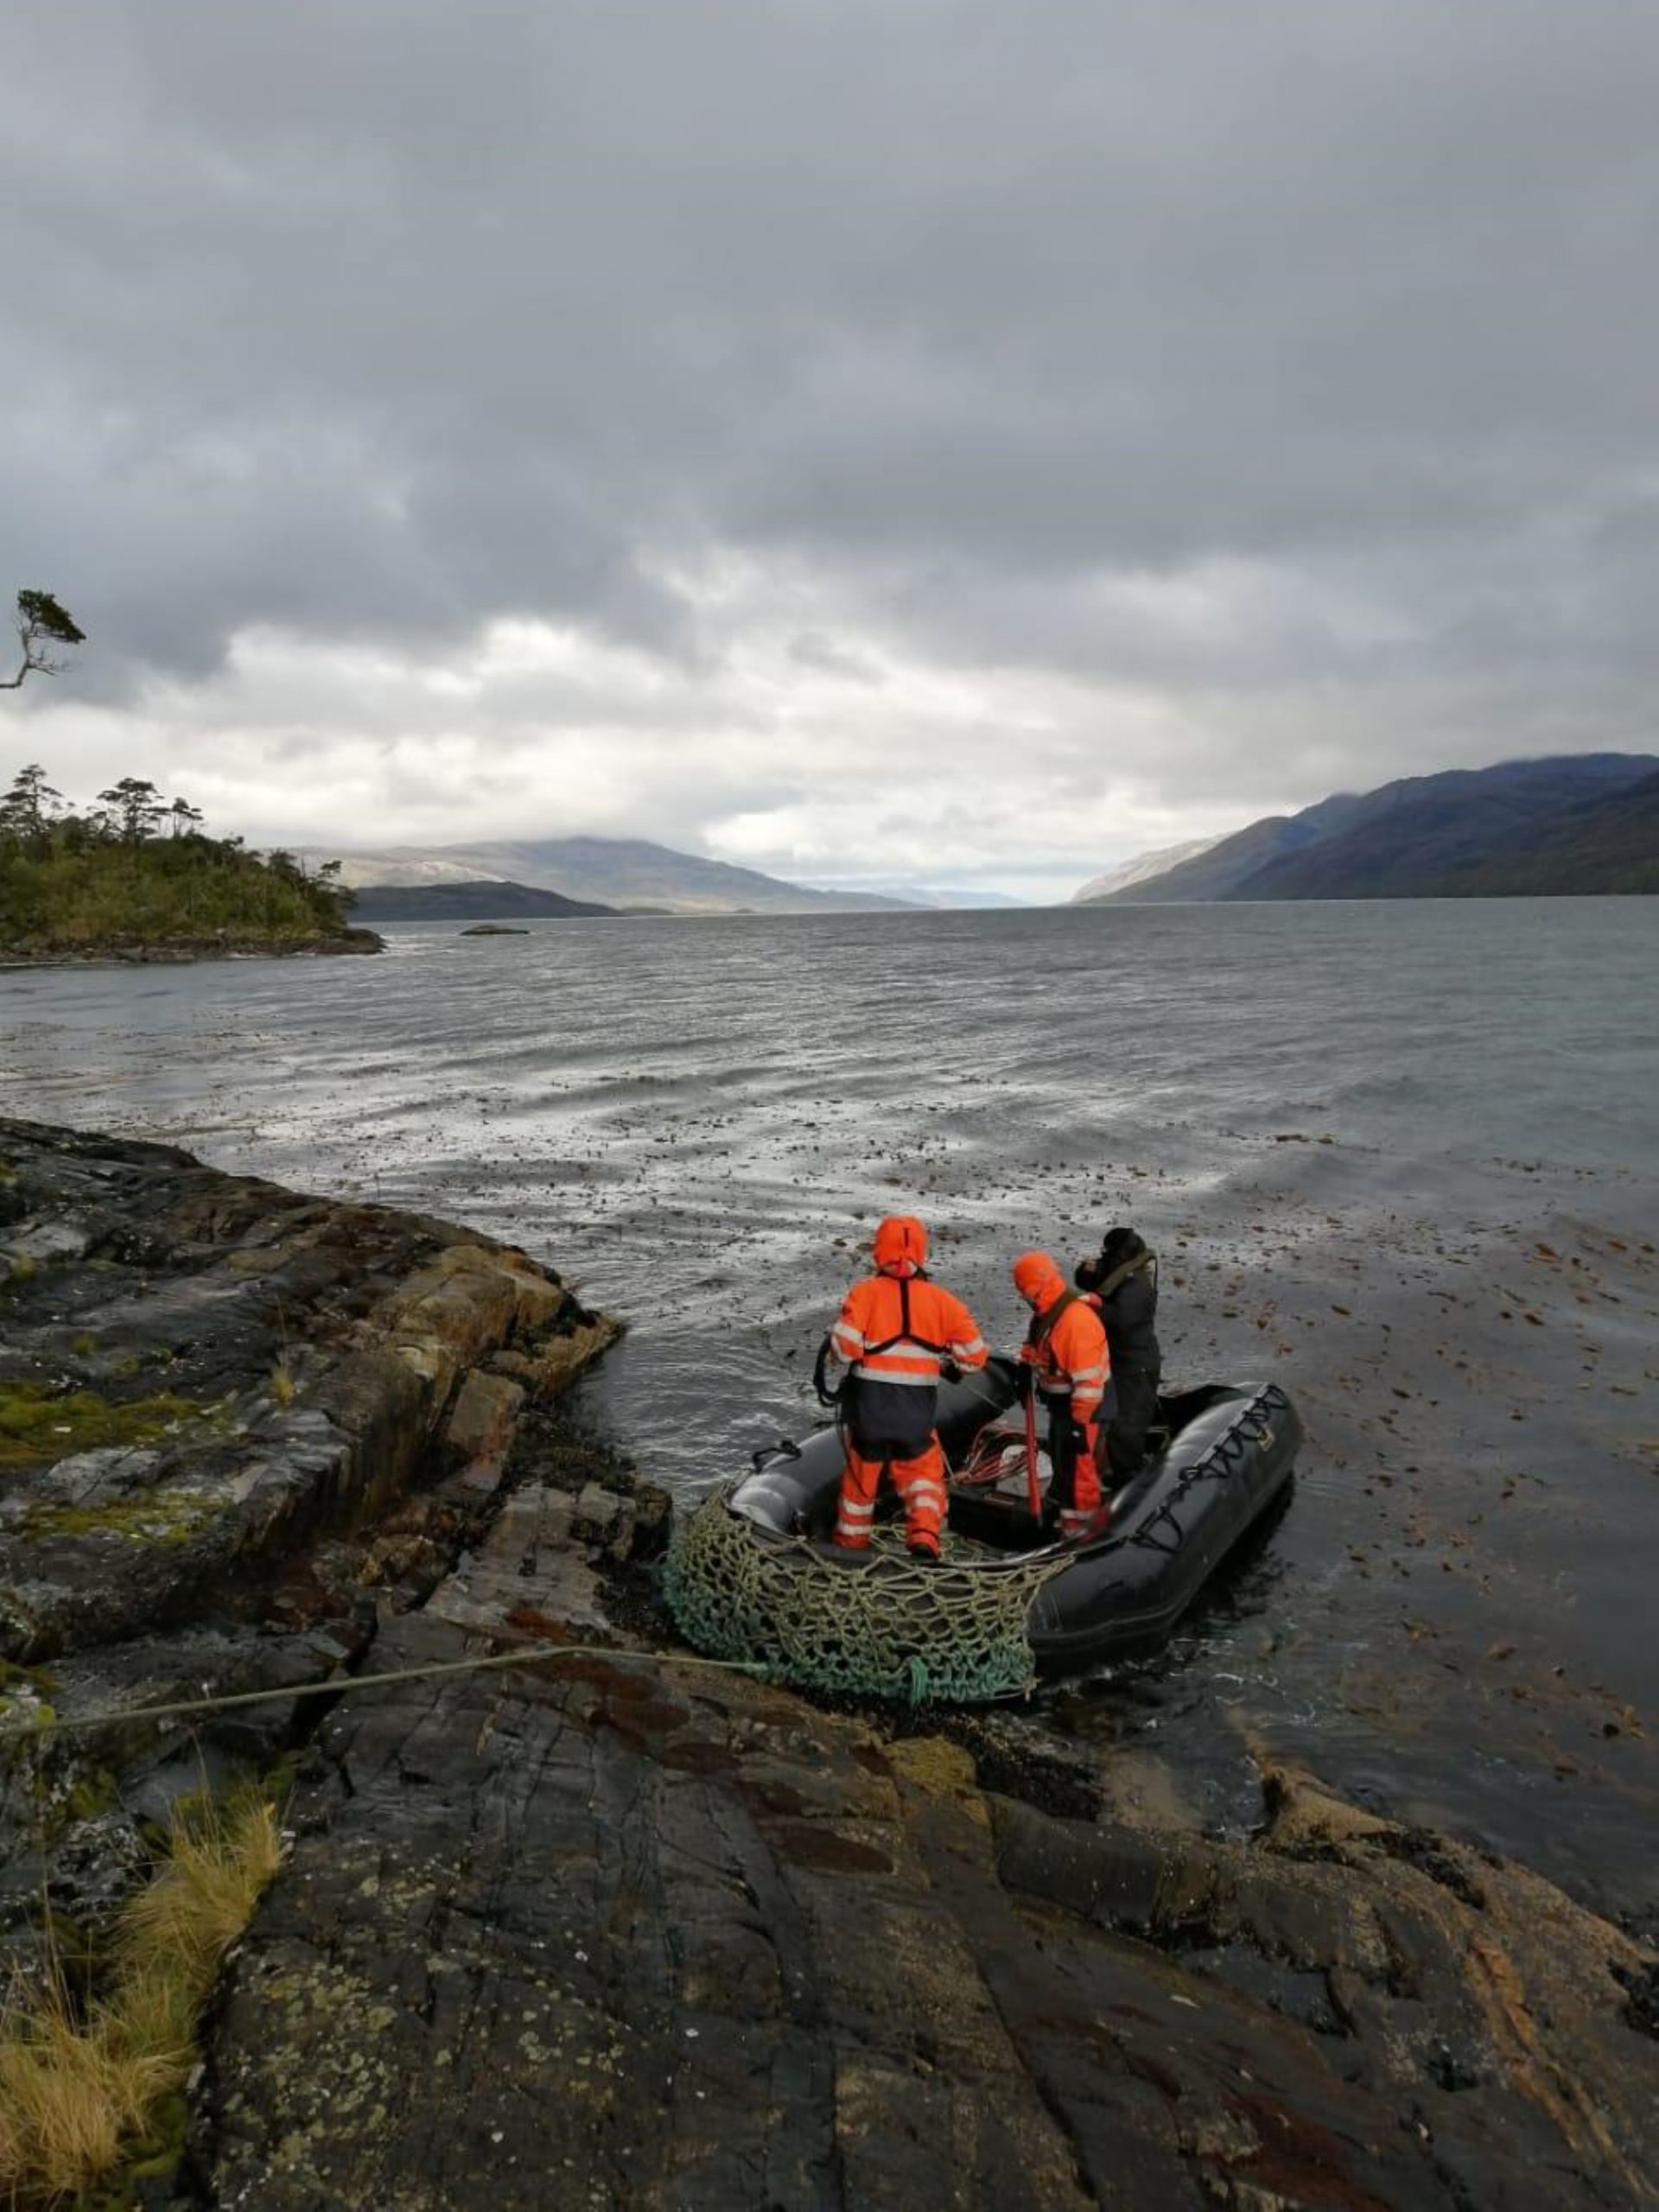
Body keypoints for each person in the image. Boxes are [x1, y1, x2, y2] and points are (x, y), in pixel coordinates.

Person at [827, 1214, 989, 1562]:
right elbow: (975, 1357)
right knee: (923, 1478)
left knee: (859, 1487)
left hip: (869, 1415)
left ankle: (849, 1550)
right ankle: (925, 1537)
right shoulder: (943, 1302)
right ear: (922, 1252)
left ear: (878, 1251)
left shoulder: (864, 1294)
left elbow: (843, 1351)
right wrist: (949, 1364)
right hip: (915, 1417)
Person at [1010, 1250, 1109, 1540]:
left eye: (1023, 1292)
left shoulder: (1075, 1322)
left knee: (1080, 1472)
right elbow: (1036, 1345)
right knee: (1064, 1463)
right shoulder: (1047, 1311)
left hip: (1084, 1407)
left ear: (1033, 1288)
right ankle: (1067, 1520)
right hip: (1062, 1404)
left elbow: (1089, 1384)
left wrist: (1080, 1426)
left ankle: (1082, 1534)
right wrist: (1024, 1369)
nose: (1023, 1298)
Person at [1075, 1225, 1162, 1476]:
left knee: (1128, 1426)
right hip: (1116, 1363)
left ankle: (1128, 1478)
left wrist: (1089, 1306)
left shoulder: (1138, 1286)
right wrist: (1085, 1270)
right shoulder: (1118, 1271)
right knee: (1110, 1418)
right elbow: (1086, 1279)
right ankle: (1112, 1465)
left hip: (1136, 1366)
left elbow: (1120, 1319)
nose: (1103, 1257)